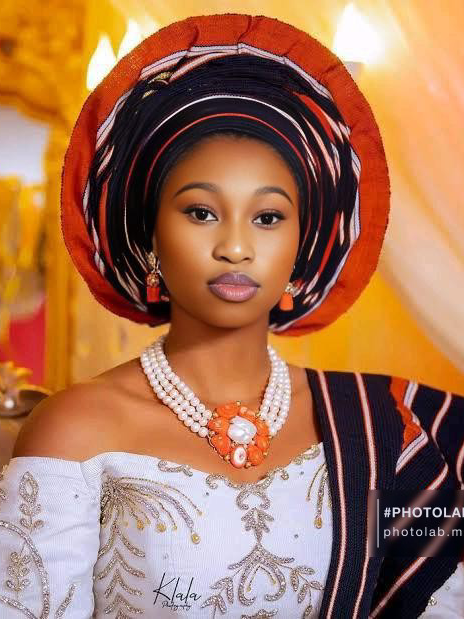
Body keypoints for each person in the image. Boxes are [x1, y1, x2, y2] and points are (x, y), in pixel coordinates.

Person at [0, 13, 463, 619]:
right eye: (201, 212)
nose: (236, 247)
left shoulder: (393, 427)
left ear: (302, 247)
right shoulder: (75, 430)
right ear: (150, 239)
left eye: (268, 218)